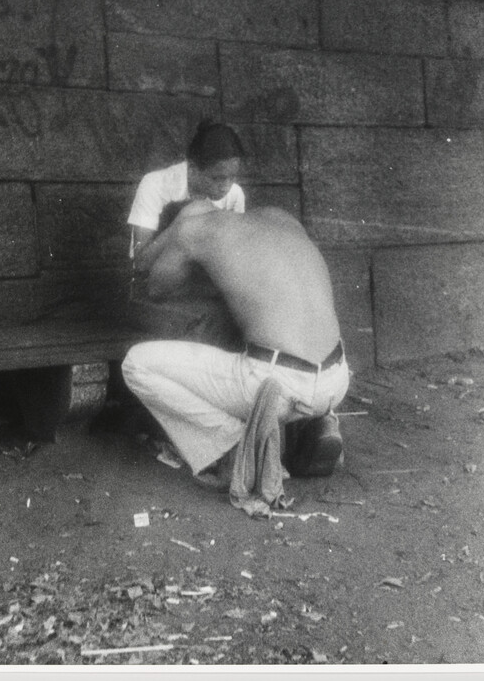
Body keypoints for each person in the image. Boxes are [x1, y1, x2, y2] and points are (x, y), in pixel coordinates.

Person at [121, 204, 350, 483]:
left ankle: (237, 444)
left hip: (278, 386)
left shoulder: (193, 228)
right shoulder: (281, 217)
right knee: (276, 332)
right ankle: (321, 423)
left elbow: (156, 289)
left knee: (136, 364)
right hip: (336, 381)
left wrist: (174, 244)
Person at [127, 119, 245, 266]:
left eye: (232, 177)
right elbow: (140, 262)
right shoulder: (154, 185)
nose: (226, 186)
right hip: (157, 277)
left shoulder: (235, 194)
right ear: (192, 168)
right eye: (217, 178)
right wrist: (185, 221)